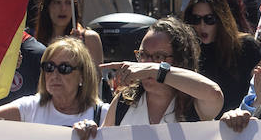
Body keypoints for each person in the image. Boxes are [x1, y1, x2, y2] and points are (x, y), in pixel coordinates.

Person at [75, 16, 223, 129]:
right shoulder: (123, 101)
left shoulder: (194, 104)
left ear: (180, 61)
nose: (145, 64)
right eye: (143, 55)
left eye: (158, 57)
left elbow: (214, 95)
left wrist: (155, 70)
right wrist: (88, 131)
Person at [0, 37, 105, 126]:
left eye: (64, 68)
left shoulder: (102, 114)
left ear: (82, 76)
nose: (54, 75)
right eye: (49, 67)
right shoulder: (30, 108)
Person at [188, 0, 261, 111]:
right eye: (196, 19)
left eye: (209, 19)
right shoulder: (187, 51)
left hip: (241, 123)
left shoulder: (248, 48)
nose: (202, 26)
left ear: (221, 18)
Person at [35, 0, 104, 67]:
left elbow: (96, 78)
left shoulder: (89, 39)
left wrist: (79, 51)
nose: (63, 8)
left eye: (68, 2)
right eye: (57, 2)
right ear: (47, 7)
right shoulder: (36, 42)